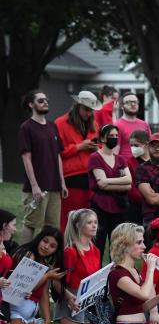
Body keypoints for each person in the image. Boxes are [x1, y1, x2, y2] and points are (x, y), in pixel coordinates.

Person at [57, 209, 101, 324]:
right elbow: (56, 281)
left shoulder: (95, 249)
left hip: (88, 301)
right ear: (78, 225)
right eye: (90, 222)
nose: (94, 225)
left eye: (95, 222)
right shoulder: (71, 251)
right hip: (72, 300)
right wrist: (68, 297)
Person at [18, 90, 67, 242]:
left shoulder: (53, 126)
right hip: (37, 187)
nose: (45, 102)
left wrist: (62, 182)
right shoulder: (26, 127)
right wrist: (34, 186)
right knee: (31, 224)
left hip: (54, 186)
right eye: (41, 101)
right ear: (31, 104)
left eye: (46, 100)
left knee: (52, 228)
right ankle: (21, 260)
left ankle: (47, 263)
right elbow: (26, 157)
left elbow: (57, 155)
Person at [57, 91, 100, 229]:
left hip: (91, 177)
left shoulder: (94, 124)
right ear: (77, 106)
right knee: (69, 219)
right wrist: (79, 147)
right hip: (71, 177)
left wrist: (96, 148)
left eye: (91, 110)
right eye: (86, 109)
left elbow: (100, 147)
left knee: (86, 221)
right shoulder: (61, 123)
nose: (89, 113)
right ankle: (67, 248)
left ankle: (83, 249)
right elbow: (58, 152)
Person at [88, 124, 132, 256]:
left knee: (118, 244)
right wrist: (118, 183)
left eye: (116, 136)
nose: (114, 138)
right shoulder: (95, 157)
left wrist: (106, 181)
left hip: (119, 206)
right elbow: (100, 185)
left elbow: (129, 182)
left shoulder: (121, 159)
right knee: (99, 243)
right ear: (102, 138)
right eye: (111, 136)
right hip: (100, 206)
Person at [114, 93, 151, 163]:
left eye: (135, 102)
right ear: (122, 106)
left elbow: (149, 147)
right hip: (126, 167)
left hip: (144, 166)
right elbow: (115, 152)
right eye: (128, 102)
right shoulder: (117, 125)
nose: (133, 104)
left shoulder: (144, 124)